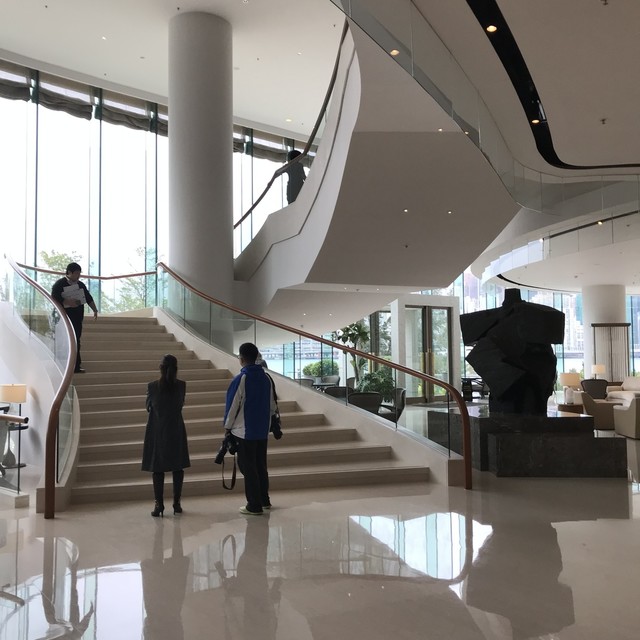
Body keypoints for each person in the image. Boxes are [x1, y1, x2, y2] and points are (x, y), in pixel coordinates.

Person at [223, 342, 276, 515]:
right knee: (261, 465)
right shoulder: (266, 378)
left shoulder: (241, 379)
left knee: (248, 467)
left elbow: (232, 405)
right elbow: (272, 405)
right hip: (262, 430)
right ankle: (264, 499)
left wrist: (227, 427)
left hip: (244, 431)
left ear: (241, 358)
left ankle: (254, 505)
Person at [141, 354, 191, 517]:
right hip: (176, 429)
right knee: (178, 467)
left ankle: (159, 504)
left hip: (157, 430)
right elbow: (180, 404)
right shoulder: (182, 386)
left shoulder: (152, 387)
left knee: (158, 469)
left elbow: (148, 407)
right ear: (176, 369)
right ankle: (177, 503)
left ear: (160, 368)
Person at [51, 262, 98, 373]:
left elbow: (88, 297)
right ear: (69, 272)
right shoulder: (59, 284)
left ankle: (76, 366)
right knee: (64, 340)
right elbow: (54, 298)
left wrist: (95, 310)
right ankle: (62, 365)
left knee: (76, 340)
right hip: (63, 317)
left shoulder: (80, 285)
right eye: (76, 273)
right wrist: (66, 301)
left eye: (79, 273)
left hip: (77, 318)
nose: (78, 276)